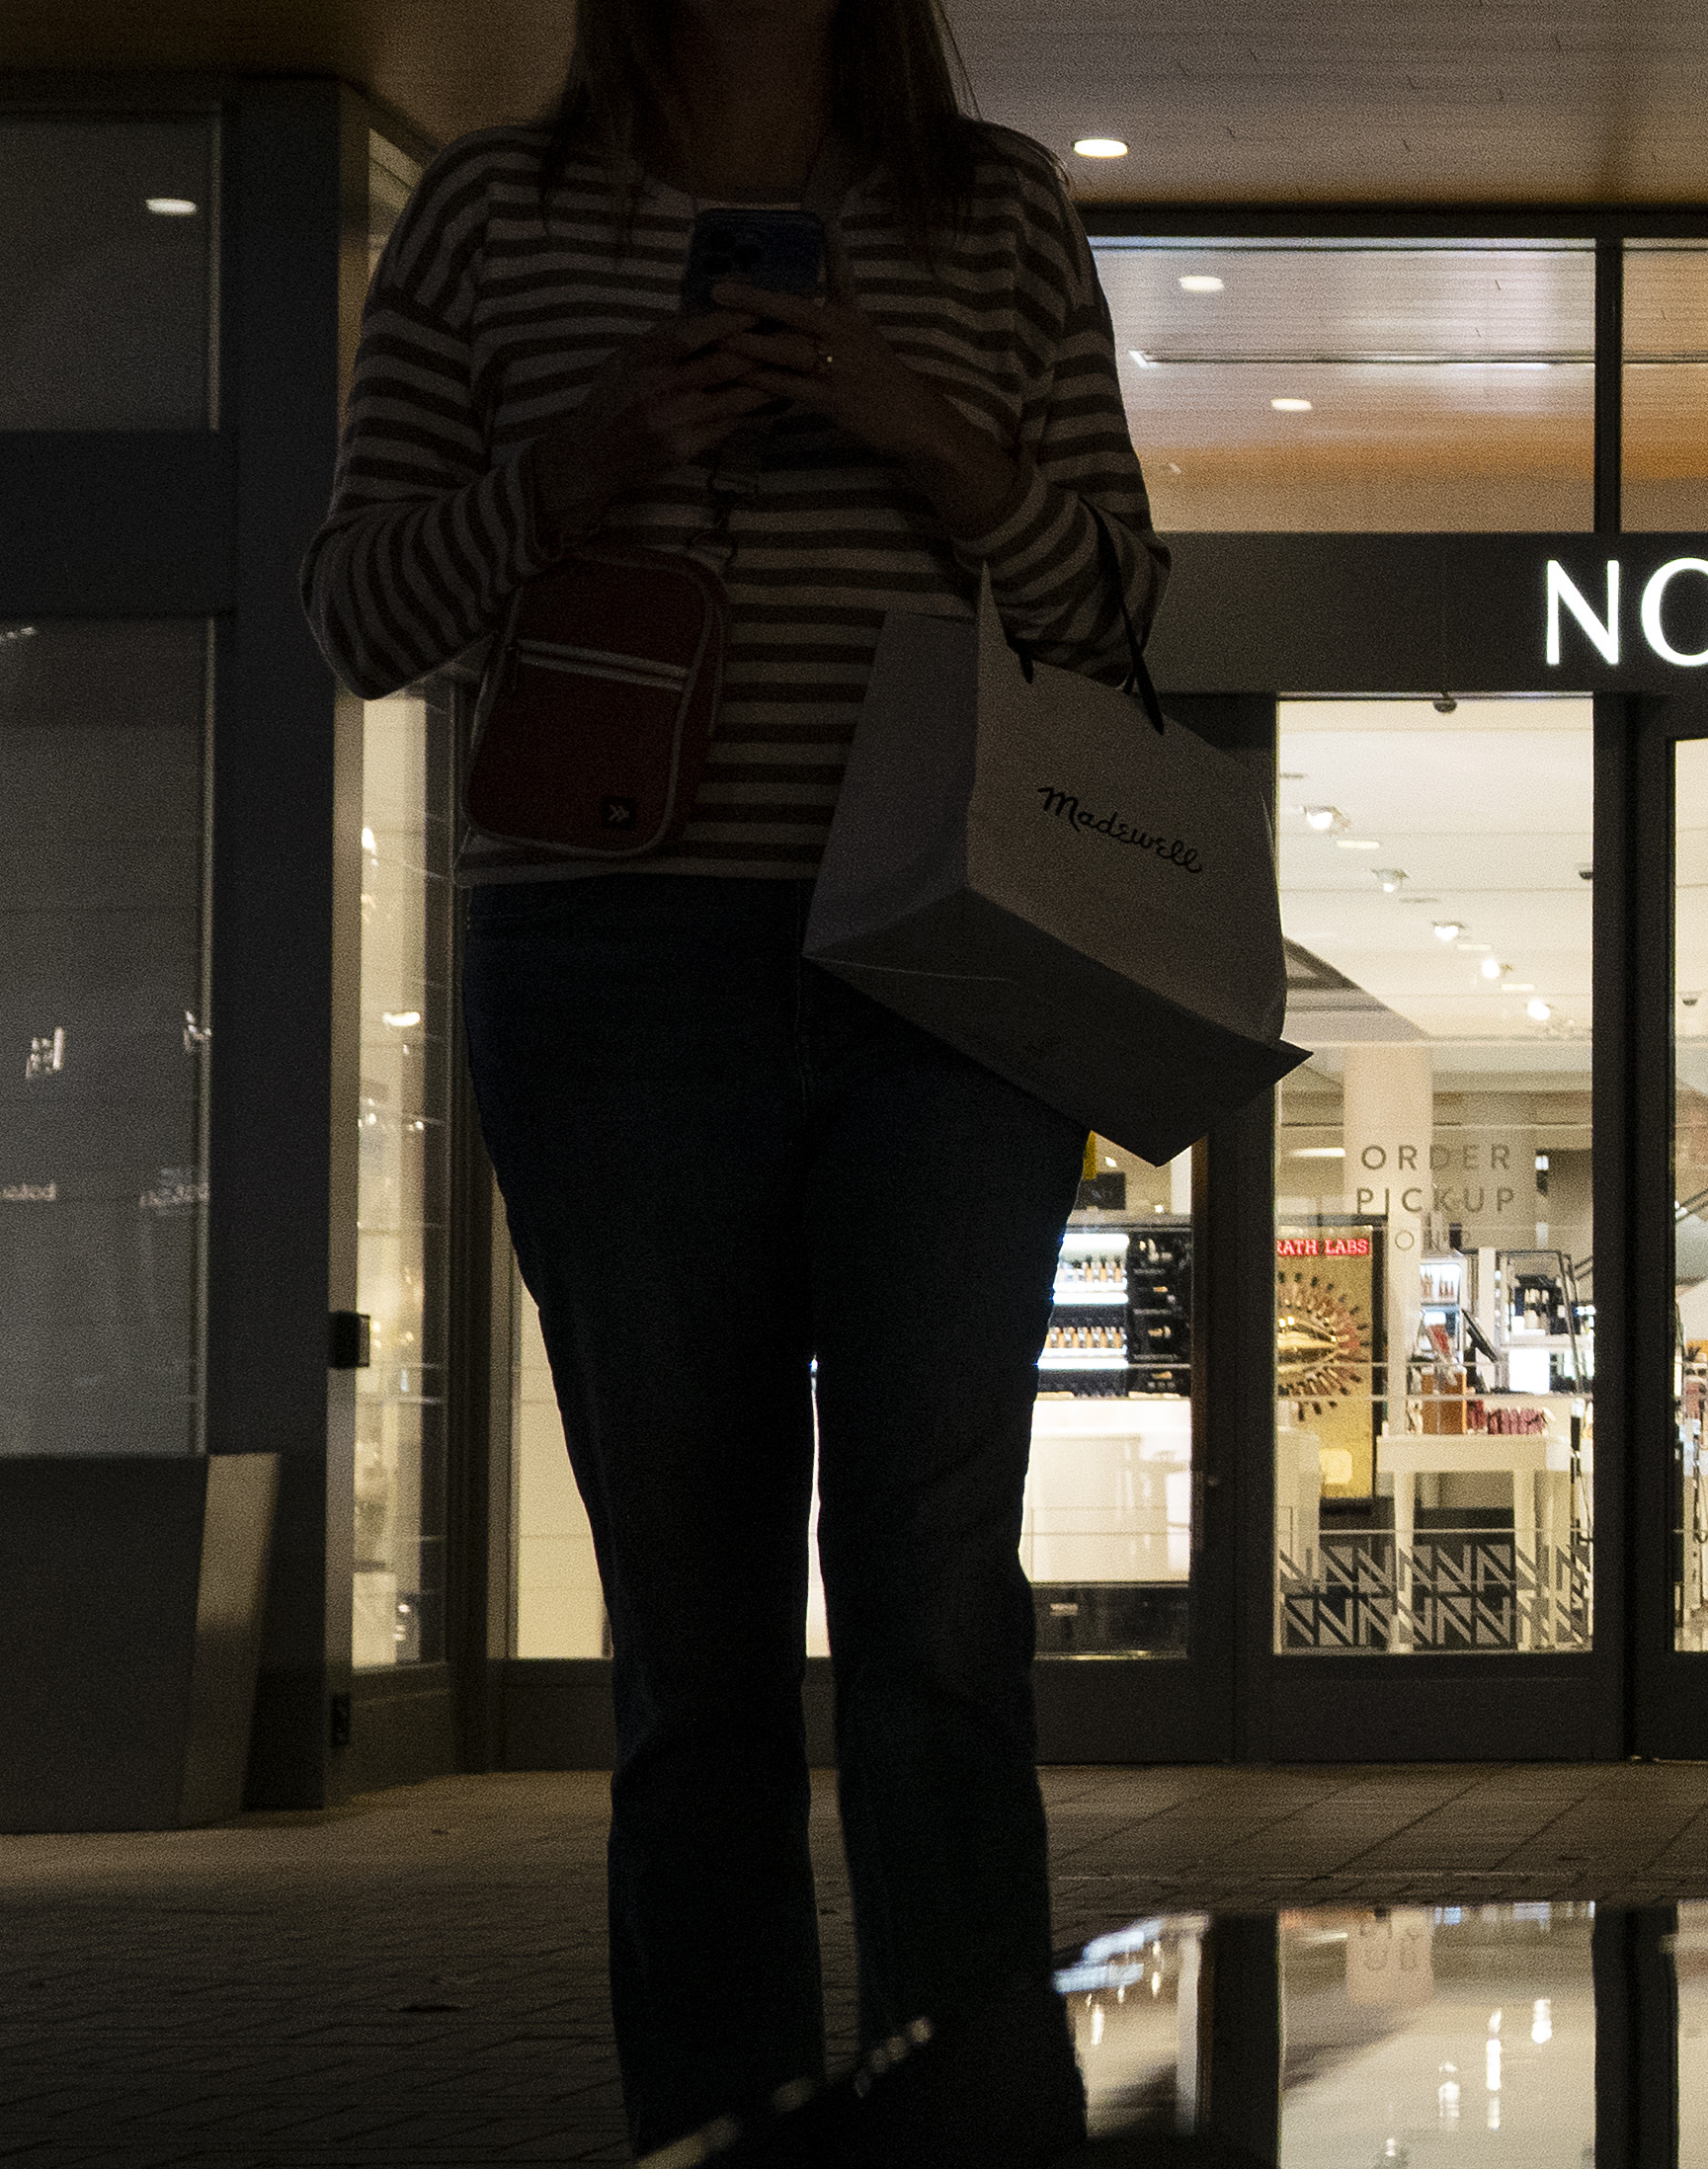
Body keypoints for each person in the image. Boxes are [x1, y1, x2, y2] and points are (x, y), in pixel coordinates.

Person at [297, 0, 1163, 2153]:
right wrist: (574, 460)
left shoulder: (996, 221)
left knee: (937, 1604)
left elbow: (1114, 598)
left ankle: (978, 2120)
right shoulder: (499, 216)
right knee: (689, 1637)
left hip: (944, 965)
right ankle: (727, 2124)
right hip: (612, 962)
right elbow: (353, 609)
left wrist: (912, 425)